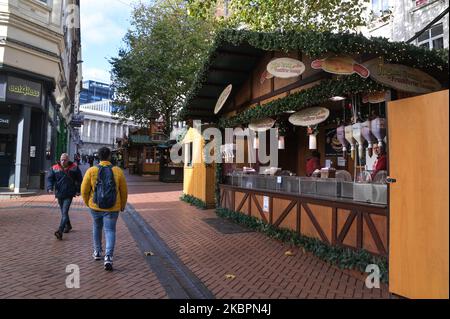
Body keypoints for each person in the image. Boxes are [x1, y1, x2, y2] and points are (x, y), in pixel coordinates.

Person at [81, 147, 128, 271]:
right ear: (109, 157)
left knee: (97, 227)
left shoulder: (91, 170)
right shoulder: (118, 171)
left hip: (95, 206)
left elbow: (84, 190)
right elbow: (123, 191)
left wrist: (88, 203)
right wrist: (122, 205)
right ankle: (108, 257)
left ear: (98, 157)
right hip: (113, 207)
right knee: (110, 230)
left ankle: (97, 252)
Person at [47, 153, 83, 240]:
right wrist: (50, 188)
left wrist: (78, 190)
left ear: (68, 160)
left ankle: (60, 230)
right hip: (59, 193)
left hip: (69, 193)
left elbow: (79, 179)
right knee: (64, 212)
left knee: (64, 211)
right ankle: (68, 226)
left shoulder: (74, 167)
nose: (63, 161)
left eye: (65, 160)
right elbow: (50, 179)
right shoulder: (55, 168)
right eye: (62, 160)